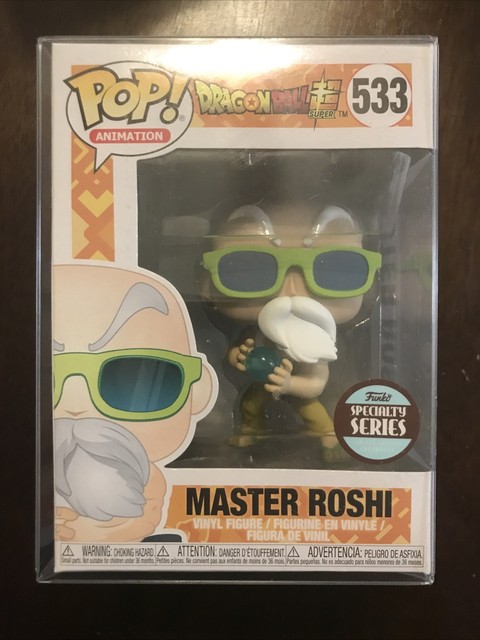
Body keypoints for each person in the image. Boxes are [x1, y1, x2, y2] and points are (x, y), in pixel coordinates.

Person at [201, 202, 381, 460]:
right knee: (249, 404)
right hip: (263, 383)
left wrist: (290, 384)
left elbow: (316, 384)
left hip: (295, 388)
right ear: (206, 283)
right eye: (250, 267)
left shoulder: (316, 343)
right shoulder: (257, 332)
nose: (292, 291)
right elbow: (234, 356)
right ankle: (251, 429)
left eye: (335, 267)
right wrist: (239, 357)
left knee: (313, 411)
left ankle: (328, 436)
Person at [53, 264, 216, 542]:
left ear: (197, 392)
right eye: (47, 374)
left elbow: (144, 517)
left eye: (131, 373)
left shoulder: (144, 475)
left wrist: (104, 534)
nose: (76, 406)